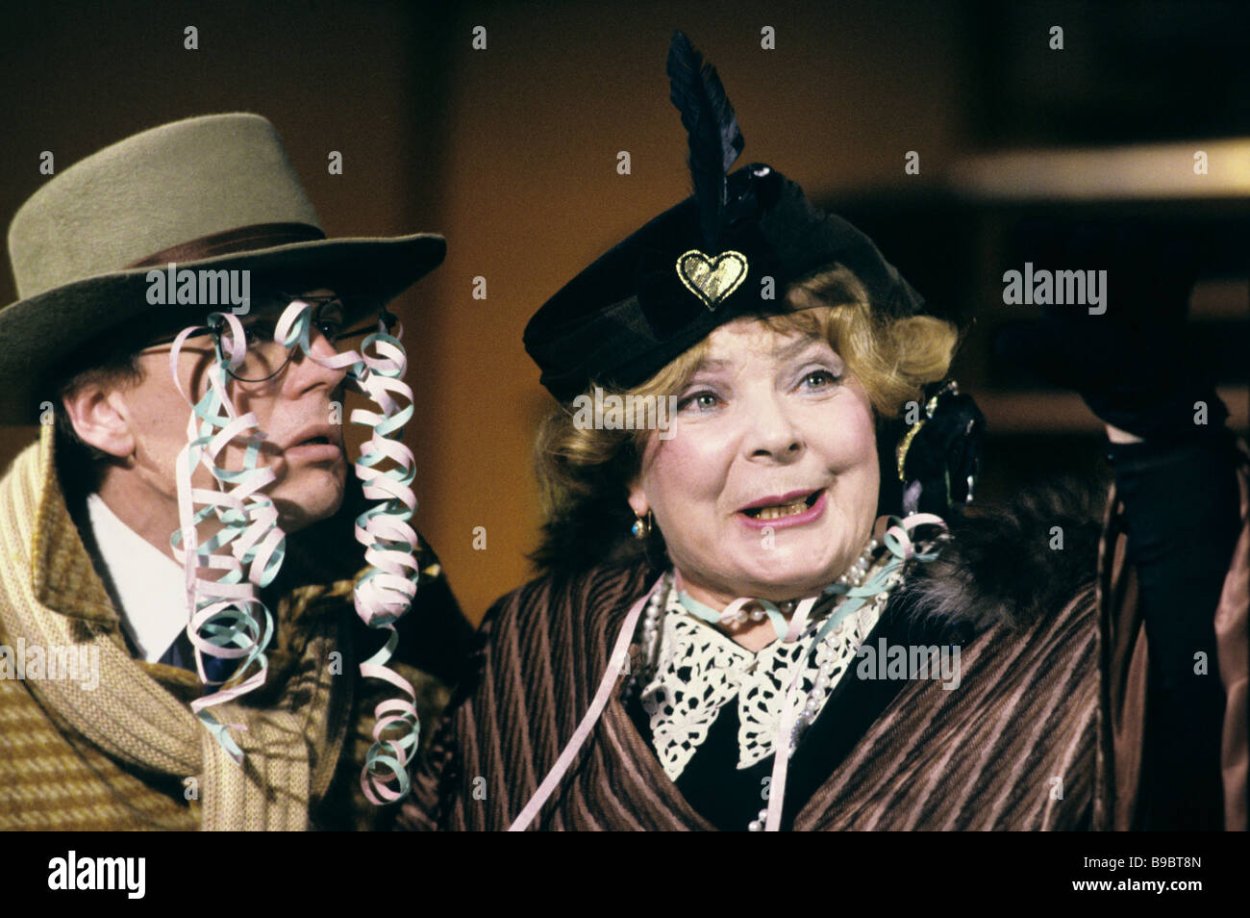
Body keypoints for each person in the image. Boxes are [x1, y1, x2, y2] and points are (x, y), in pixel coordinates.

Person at [400, 33, 1247, 831]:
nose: (775, 437)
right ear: (630, 477)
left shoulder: (1037, 642)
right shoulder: (537, 657)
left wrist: (1166, 436)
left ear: (876, 409)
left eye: (815, 378)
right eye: (702, 399)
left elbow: (1201, 739)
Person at [0, 113, 473, 830]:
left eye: (325, 325)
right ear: (101, 414)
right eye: (245, 336)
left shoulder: (395, 622)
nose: (328, 369)